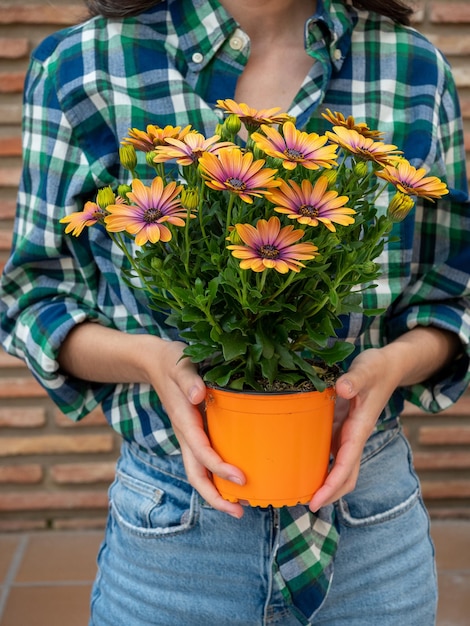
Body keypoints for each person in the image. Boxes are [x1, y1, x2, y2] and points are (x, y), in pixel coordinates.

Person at [1, 0, 469, 623]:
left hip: (367, 522)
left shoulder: (412, 66)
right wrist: (152, 361)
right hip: (174, 528)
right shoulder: (82, 64)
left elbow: (451, 298)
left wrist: (389, 366)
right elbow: (35, 300)